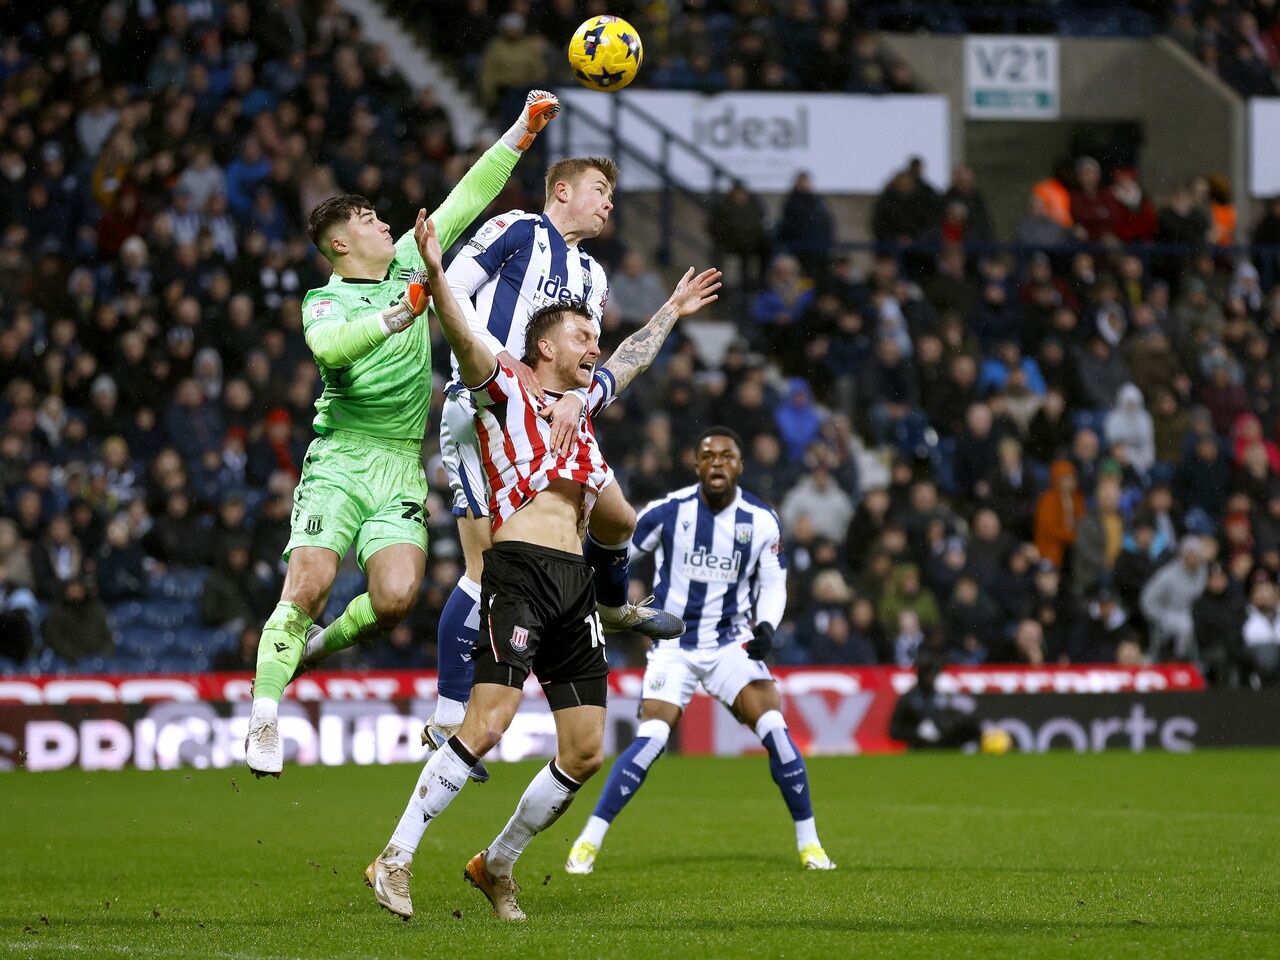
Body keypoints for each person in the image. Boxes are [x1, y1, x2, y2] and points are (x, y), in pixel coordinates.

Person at [364, 213, 721, 921]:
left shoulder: (580, 404)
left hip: (574, 585)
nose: (596, 345)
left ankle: (494, 865)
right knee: (489, 723)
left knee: (586, 749)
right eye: (583, 336)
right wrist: (436, 274)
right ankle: (395, 855)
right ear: (546, 345)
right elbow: (464, 333)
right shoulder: (503, 385)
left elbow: (630, 360)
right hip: (519, 570)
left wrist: (672, 312)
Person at [243, 91, 562, 778]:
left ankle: (310, 651)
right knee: (309, 582)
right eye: (368, 220)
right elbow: (331, 349)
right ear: (340, 244)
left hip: (400, 466)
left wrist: (523, 132)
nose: (384, 224)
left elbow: (467, 197)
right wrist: (399, 313)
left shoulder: (412, 267)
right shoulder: (324, 298)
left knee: (393, 599)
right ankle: (264, 717)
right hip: (341, 459)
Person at [418, 155, 687, 784]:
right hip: (490, 412)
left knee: (620, 517)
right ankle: (445, 716)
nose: (610, 204)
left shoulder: (593, 277)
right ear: (561, 191)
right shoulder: (516, 230)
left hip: (559, 420)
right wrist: (502, 380)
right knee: (487, 564)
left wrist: (573, 393)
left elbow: (589, 358)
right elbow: (449, 292)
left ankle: (614, 606)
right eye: (601, 191)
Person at [565, 426, 835, 876]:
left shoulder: (761, 520)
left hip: (731, 643)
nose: (716, 462)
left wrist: (766, 627)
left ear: (739, 466)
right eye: (708, 455)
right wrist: (606, 597)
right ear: (696, 466)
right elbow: (618, 545)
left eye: (726, 456)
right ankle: (588, 842)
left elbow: (772, 583)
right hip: (675, 646)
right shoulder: (669, 512)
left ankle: (810, 844)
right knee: (651, 740)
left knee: (775, 728)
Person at [888, 652, 981, 749]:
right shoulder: (908, 699)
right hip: (919, 748)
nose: (931, 678)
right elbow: (894, 731)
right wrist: (916, 732)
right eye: (928, 674)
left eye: (934, 674)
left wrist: (943, 727)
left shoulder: (944, 697)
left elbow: (957, 723)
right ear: (921, 675)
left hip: (944, 746)